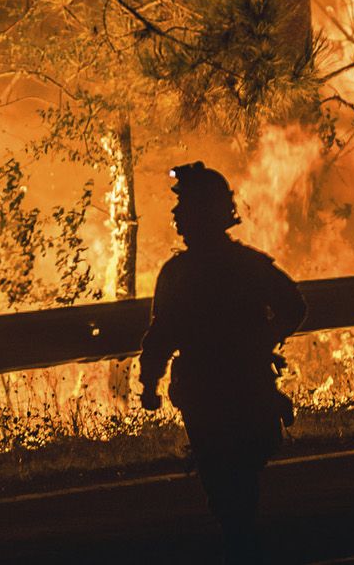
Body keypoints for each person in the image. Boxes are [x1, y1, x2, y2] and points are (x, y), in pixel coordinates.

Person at [139, 161, 307, 564]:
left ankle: (240, 542)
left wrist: (149, 385)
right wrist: (265, 340)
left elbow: (161, 337)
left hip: (214, 394)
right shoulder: (245, 266)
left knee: (225, 482)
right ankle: (242, 540)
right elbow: (293, 306)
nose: (176, 215)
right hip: (238, 389)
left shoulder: (179, 274)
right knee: (237, 484)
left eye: (185, 207)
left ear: (203, 212)